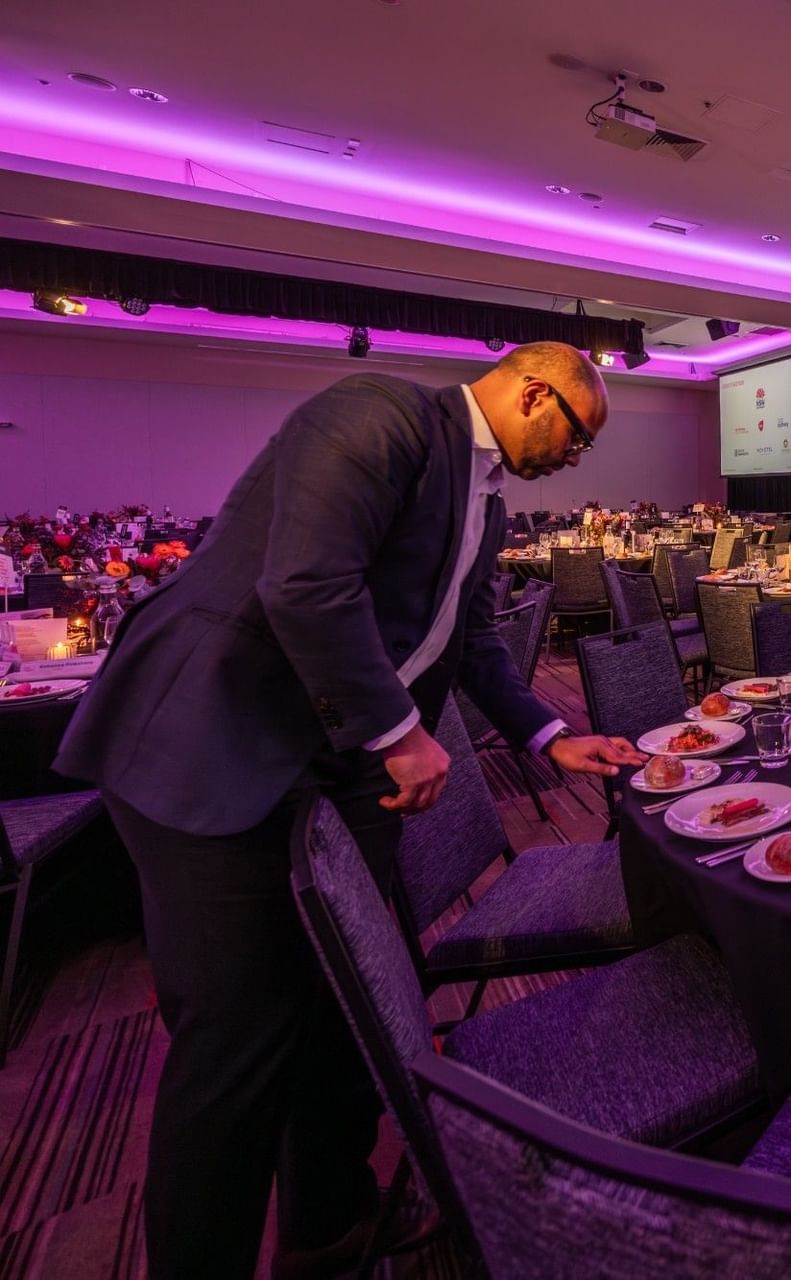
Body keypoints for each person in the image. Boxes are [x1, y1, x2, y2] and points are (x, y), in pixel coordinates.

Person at [56, 342, 648, 1278]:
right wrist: (398, 734)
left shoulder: (486, 500)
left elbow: (475, 639)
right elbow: (306, 587)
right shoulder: (380, 414)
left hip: (330, 763)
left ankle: (327, 1224)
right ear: (536, 392)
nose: (575, 463)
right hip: (214, 746)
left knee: (341, 1004)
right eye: (577, 439)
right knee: (239, 1044)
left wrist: (546, 736)